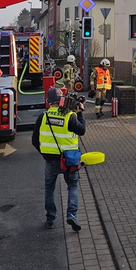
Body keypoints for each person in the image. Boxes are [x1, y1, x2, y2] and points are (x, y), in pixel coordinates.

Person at [32, 88, 87, 231]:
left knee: (50, 189)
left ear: (48, 102)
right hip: (69, 160)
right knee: (72, 186)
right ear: (61, 99)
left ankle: (50, 219)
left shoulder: (43, 117)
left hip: (50, 161)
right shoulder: (69, 116)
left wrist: (45, 154)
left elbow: (34, 141)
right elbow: (82, 130)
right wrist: (80, 113)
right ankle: (72, 215)